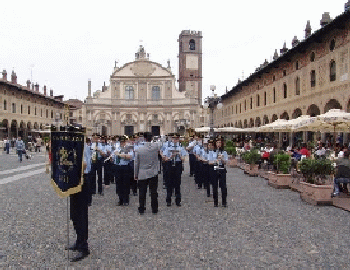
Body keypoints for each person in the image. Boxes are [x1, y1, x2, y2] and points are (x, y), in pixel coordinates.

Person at [67, 137, 92, 262]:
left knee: (81, 215)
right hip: (73, 182)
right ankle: (78, 240)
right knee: (73, 214)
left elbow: (86, 164)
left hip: (82, 182)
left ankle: (84, 246)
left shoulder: (83, 147)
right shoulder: (73, 147)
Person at [134, 132, 160, 214]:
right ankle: (154, 209)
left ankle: (141, 208)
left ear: (144, 138)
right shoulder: (156, 147)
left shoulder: (139, 149)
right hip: (153, 172)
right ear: (152, 138)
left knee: (142, 192)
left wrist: (135, 174)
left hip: (142, 172)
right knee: (153, 192)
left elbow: (136, 162)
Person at [163, 133, 187, 207]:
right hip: (170, 164)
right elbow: (164, 158)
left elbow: (183, 159)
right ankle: (168, 200)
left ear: (178, 139)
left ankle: (178, 200)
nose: (175, 140)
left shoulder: (181, 147)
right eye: (173, 139)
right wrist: (171, 156)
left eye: (176, 139)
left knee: (177, 183)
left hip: (177, 164)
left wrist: (179, 155)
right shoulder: (168, 147)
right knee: (169, 183)